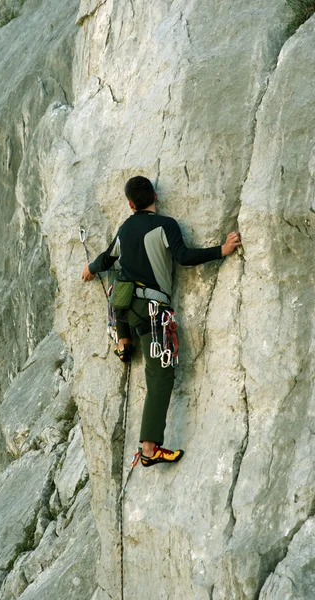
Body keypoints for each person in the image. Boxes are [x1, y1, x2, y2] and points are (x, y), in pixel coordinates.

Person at [81, 176, 241, 467]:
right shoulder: (165, 225)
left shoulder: (124, 228)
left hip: (126, 310)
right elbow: (183, 257)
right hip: (151, 311)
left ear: (130, 204)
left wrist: (91, 268)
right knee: (160, 375)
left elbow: (107, 258)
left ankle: (123, 341)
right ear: (155, 195)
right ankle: (149, 449)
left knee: (121, 279)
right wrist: (221, 250)